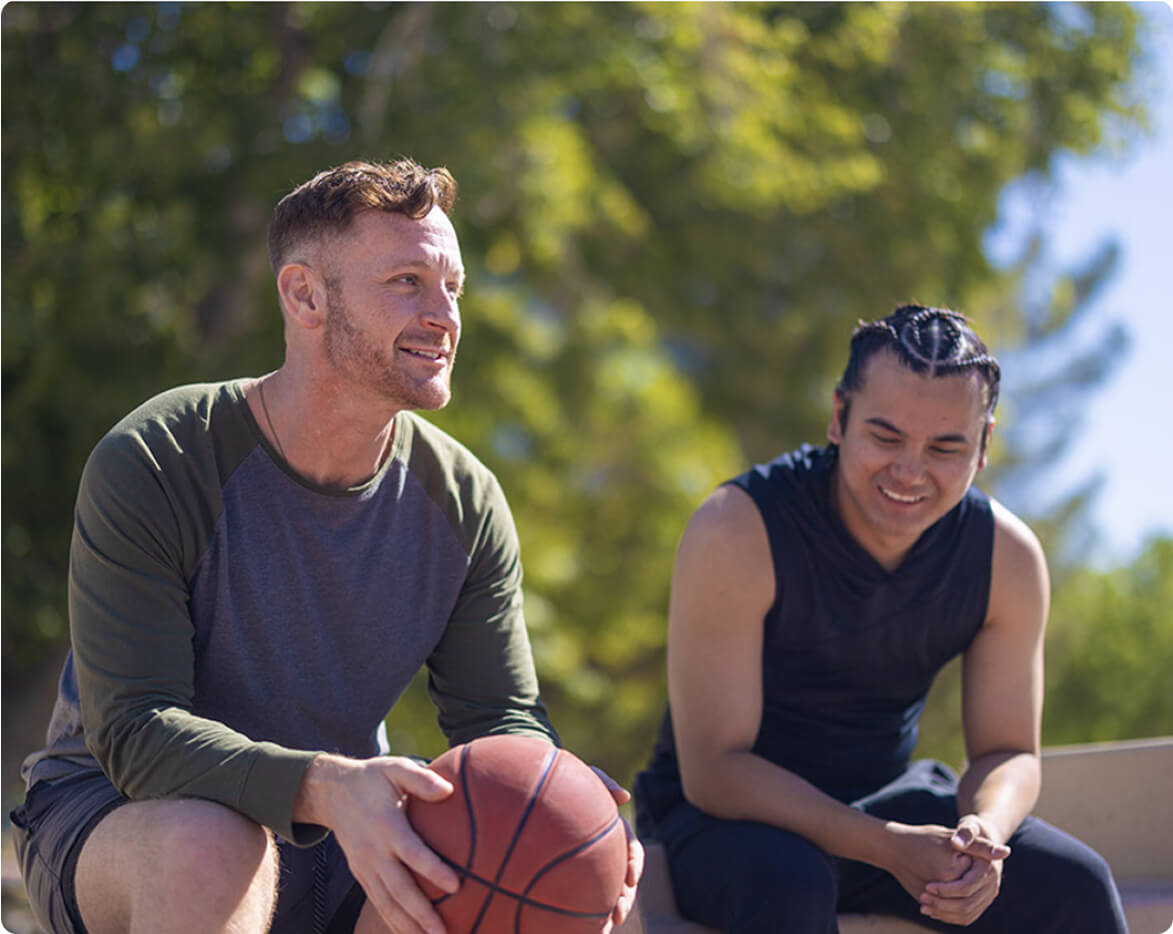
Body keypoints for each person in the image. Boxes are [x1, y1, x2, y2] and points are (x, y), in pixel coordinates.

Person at [11, 159, 642, 934]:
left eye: (453, 288)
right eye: (407, 282)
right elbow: (136, 732)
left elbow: (499, 722)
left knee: (502, 869)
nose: (444, 315)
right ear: (305, 296)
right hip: (122, 814)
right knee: (213, 845)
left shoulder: (464, 500)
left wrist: (568, 817)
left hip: (341, 827)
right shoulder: (161, 456)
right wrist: (322, 787)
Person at [633, 304, 1128, 933]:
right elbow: (715, 773)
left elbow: (1008, 751)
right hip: (724, 823)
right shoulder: (738, 528)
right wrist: (887, 846)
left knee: (1075, 885)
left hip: (888, 808)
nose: (910, 471)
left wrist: (984, 834)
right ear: (839, 418)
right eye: (886, 437)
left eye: (945, 446)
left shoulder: (1006, 558)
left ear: (983, 447)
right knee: (790, 885)